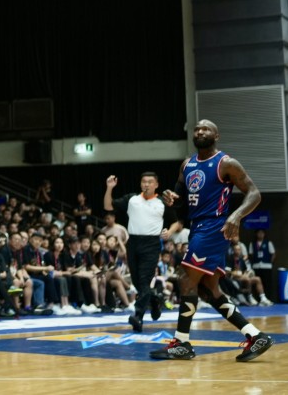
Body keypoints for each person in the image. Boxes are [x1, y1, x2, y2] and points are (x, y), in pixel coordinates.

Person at [152, 120, 274, 362]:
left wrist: (237, 215)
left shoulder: (226, 163)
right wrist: (172, 199)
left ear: (216, 135)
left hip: (214, 226)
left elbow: (254, 193)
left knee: (186, 278)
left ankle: (182, 342)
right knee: (208, 289)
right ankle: (255, 335)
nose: (200, 132)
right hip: (198, 227)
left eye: (205, 129)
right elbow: (181, 201)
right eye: (197, 129)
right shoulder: (187, 164)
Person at [104, 172, 181, 332]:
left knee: (144, 281)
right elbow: (108, 206)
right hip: (133, 243)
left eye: (150, 182)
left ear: (156, 185)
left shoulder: (162, 202)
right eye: (144, 181)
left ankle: (138, 316)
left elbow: (176, 222)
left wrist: (170, 231)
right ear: (140, 184)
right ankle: (155, 300)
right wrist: (109, 188)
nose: (146, 184)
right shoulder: (132, 199)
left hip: (151, 244)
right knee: (138, 283)